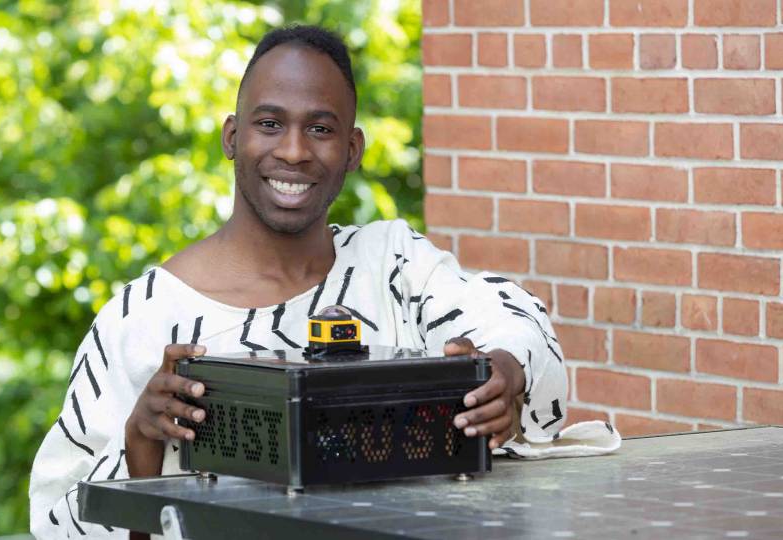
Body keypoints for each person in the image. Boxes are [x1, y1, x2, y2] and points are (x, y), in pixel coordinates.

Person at [29, 25, 568, 538]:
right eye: (269, 124)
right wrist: (137, 444)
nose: (293, 150)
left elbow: (518, 323)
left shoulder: (394, 265)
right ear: (232, 138)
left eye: (320, 128)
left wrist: (504, 373)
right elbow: (53, 517)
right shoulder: (143, 316)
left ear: (352, 150)